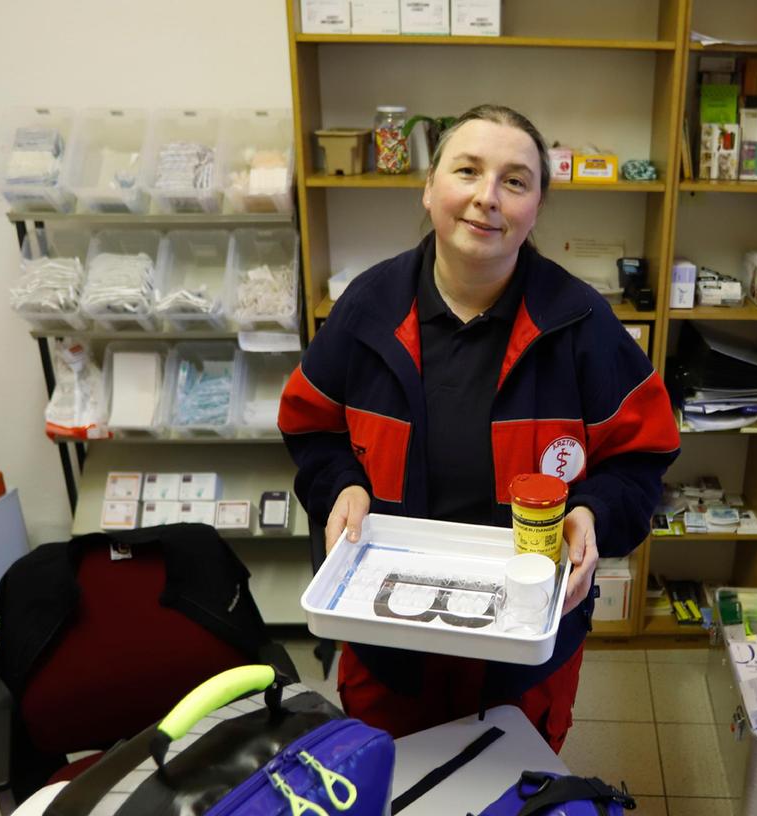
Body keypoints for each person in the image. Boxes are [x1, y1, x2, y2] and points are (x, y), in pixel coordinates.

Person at [279, 104, 679, 751]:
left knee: (508, 789)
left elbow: (641, 456)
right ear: (429, 186)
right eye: (467, 170)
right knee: (394, 782)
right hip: (390, 637)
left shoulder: (582, 325)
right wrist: (340, 485)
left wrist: (594, 514)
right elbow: (312, 429)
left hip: (522, 648)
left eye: (514, 181)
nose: (486, 197)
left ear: (537, 205)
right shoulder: (366, 310)